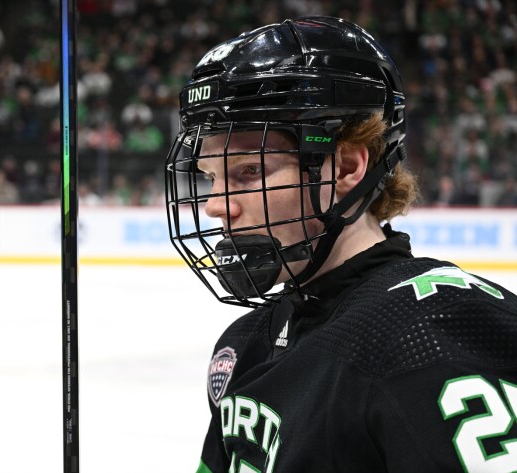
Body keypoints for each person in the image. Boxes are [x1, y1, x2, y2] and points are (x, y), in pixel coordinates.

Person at [164, 17, 517, 473]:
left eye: (248, 171)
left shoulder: (432, 330)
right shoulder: (244, 346)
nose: (215, 206)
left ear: (346, 167)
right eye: (211, 178)